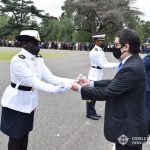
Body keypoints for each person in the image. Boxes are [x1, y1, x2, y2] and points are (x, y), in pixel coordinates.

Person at [72, 28, 148, 150]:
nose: (114, 47)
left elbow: (107, 92)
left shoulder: (132, 67)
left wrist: (80, 89)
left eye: (116, 44)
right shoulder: (132, 62)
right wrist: (91, 83)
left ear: (126, 47)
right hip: (129, 125)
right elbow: (115, 83)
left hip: (128, 128)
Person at [0, 30, 74, 150]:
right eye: (34, 43)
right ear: (24, 43)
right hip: (16, 104)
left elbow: (50, 77)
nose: (38, 46)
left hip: (29, 103)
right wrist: (57, 90)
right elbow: (35, 82)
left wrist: (72, 82)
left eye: (38, 43)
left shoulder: (38, 59)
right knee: (15, 137)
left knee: (24, 134)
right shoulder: (18, 60)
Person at [86, 34, 118, 120]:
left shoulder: (100, 50)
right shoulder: (96, 51)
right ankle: (90, 113)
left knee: (95, 95)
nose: (102, 42)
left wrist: (117, 65)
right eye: (101, 40)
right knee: (91, 95)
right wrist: (117, 65)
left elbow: (106, 62)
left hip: (98, 74)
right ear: (96, 41)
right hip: (94, 74)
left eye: (103, 40)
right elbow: (102, 65)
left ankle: (92, 111)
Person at [143, 42, 150, 134]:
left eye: (149, 45)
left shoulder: (148, 59)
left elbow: (139, 67)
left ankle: (146, 129)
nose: (147, 46)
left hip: (148, 88)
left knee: (147, 110)